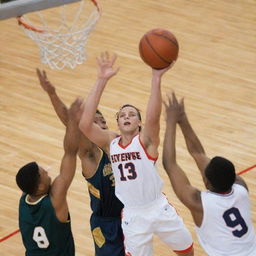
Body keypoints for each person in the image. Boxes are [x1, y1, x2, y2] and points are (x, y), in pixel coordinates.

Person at [79, 51, 194, 256]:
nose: (126, 117)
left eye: (132, 114)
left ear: (139, 122)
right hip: (133, 214)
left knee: (186, 251)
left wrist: (156, 78)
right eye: (122, 115)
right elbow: (85, 124)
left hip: (158, 207)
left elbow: (153, 117)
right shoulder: (110, 143)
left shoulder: (145, 141)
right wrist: (101, 80)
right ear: (117, 123)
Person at [36, 69, 124, 256]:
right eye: (95, 121)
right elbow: (71, 123)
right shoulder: (90, 154)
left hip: (129, 216)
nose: (102, 122)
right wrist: (52, 94)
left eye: (103, 120)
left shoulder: (118, 145)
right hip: (107, 224)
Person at [162, 92, 256, 256]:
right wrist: (183, 119)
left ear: (206, 181)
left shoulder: (200, 203)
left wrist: (171, 122)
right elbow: (198, 153)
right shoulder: (241, 187)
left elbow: (170, 164)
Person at [16, 98, 82, 256]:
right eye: (43, 172)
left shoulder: (24, 201)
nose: (47, 171)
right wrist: (72, 120)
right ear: (39, 186)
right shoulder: (54, 200)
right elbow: (70, 152)